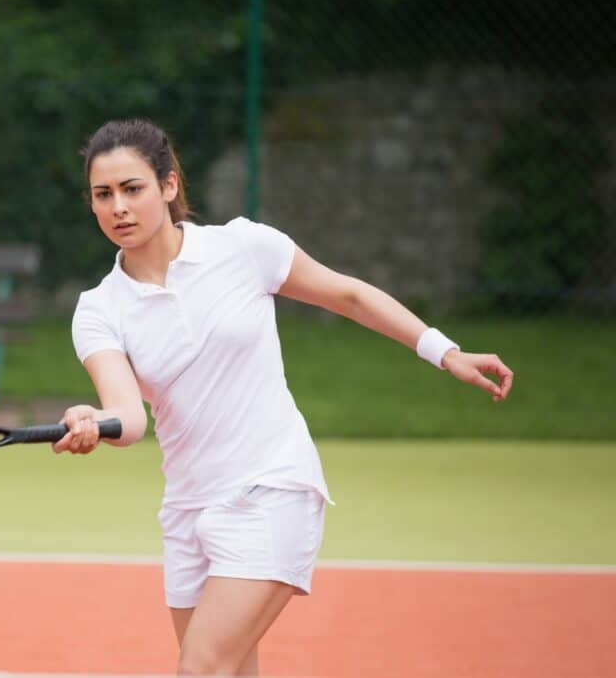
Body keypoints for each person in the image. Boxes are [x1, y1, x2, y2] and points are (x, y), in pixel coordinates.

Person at [52, 118, 514, 677]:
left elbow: (349, 296)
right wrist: (92, 421)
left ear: (169, 186)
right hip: (189, 510)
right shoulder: (98, 309)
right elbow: (128, 416)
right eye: (104, 195)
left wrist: (445, 351)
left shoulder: (244, 247)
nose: (118, 207)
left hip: (272, 487)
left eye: (133, 189)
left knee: (199, 669)